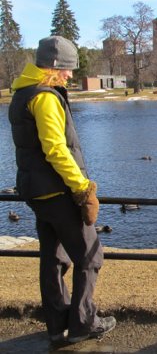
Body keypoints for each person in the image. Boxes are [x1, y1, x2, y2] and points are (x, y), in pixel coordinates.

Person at [8, 35, 116, 343]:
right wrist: (82, 187)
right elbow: (56, 149)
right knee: (91, 256)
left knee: (54, 258)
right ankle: (84, 323)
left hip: (36, 192)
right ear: (54, 68)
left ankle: (57, 327)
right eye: (67, 70)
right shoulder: (44, 97)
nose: (70, 76)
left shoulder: (22, 93)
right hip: (57, 192)